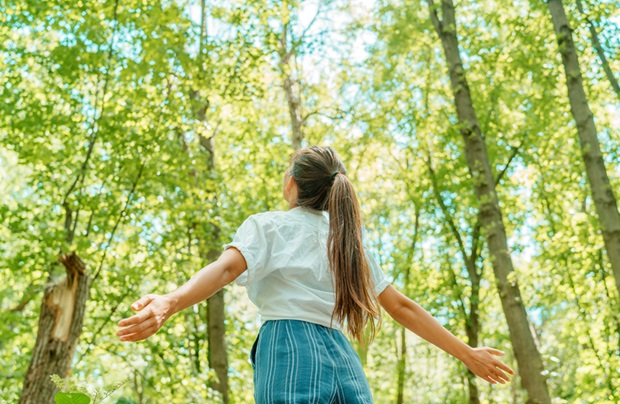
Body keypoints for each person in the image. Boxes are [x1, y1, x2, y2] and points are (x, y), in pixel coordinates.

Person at [117, 146, 515, 403]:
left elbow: (224, 270)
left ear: (292, 184)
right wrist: (467, 353)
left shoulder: (270, 225)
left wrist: (170, 301)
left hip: (289, 344)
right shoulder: (350, 244)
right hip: (343, 356)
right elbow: (402, 307)